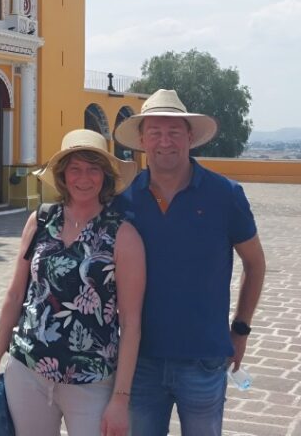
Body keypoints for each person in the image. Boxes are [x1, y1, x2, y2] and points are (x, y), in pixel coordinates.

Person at [111, 89, 266, 436]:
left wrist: (240, 330)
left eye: (173, 132)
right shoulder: (124, 202)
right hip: (140, 361)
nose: (164, 142)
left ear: (190, 137)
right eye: (155, 132)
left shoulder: (225, 195)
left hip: (204, 358)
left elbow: (255, 264)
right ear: (141, 139)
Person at [0, 129, 146, 436]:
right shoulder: (41, 221)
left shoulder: (122, 235)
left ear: (105, 177)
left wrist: (121, 398)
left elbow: (131, 322)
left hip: (91, 378)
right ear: (63, 176)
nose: (84, 177)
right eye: (75, 169)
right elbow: (16, 295)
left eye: (93, 169)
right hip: (28, 369)